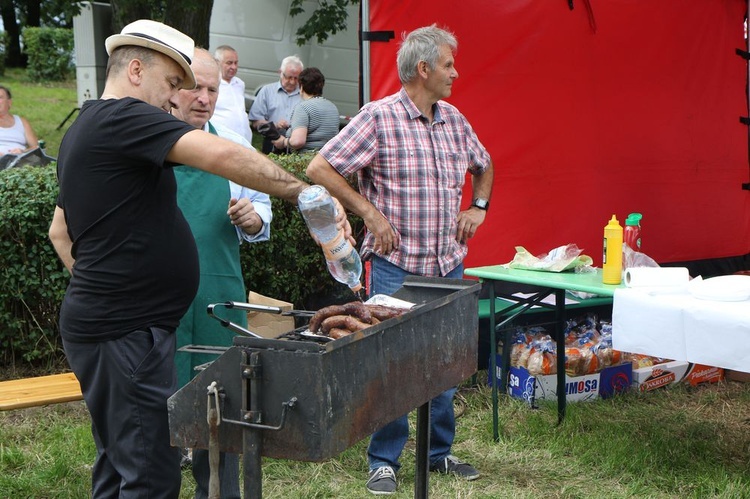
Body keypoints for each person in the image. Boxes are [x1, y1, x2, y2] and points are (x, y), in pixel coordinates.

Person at [47, 20, 350, 499]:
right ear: (135, 69)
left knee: (119, 461)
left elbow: (59, 230)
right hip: (126, 334)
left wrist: (106, 292)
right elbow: (222, 156)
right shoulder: (123, 117)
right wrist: (307, 194)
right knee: (151, 475)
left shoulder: (89, 125)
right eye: (171, 84)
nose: (175, 100)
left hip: (114, 330)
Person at [306, 25, 494, 495]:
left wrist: (479, 207)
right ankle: (383, 461)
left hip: (447, 264)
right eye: (449, 64)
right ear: (424, 68)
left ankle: (438, 454)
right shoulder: (379, 117)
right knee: (389, 365)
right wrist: (368, 212)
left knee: (445, 363)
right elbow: (318, 167)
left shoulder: (454, 119)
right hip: (396, 267)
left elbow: (484, 164)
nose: (456, 72)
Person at [171, 48, 272, 499]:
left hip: (219, 294)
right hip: (161, 302)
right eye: (196, 86)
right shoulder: (146, 144)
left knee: (223, 403)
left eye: (213, 89)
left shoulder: (232, 141)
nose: (204, 98)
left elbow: (263, 209)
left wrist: (254, 219)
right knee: (161, 407)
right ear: (172, 85)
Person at [271, 67, 340, 153]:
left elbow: (297, 141)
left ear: (302, 87)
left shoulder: (303, 108)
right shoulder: (332, 107)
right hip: (326, 159)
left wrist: (283, 142)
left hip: (305, 160)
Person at [248, 55, 303, 153]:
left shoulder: (304, 95)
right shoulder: (267, 91)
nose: (292, 82)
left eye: (296, 78)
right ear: (280, 73)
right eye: (289, 77)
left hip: (297, 145)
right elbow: (256, 122)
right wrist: (275, 125)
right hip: (272, 142)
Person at [211, 45, 253, 143]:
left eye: (236, 63)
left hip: (244, 141)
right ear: (218, 63)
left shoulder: (239, 84)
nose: (233, 67)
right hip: (221, 140)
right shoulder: (213, 84)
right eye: (229, 63)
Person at [0, 85, 39, 155]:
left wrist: (23, 152)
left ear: (9, 102)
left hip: (19, 161)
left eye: (0, 97)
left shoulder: (22, 122)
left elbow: (36, 148)